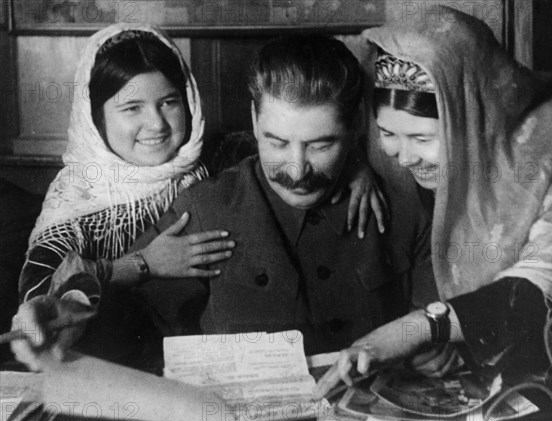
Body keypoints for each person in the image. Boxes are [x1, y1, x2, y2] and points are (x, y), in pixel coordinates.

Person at [11, 25, 388, 371]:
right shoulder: (71, 212)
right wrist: (142, 264)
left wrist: (356, 163)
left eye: (169, 102)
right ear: (93, 119)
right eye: (131, 108)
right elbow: (60, 309)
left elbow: (304, 132)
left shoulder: (220, 154)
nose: (157, 124)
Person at [314, 6, 552, 398]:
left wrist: (415, 329)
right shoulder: (453, 160)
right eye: (387, 133)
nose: (404, 156)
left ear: (470, 119)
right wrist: (454, 346)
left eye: (422, 139)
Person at [131, 34, 433, 357]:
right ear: (254, 121)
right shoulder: (202, 211)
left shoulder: (406, 213)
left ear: (357, 123)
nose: (297, 170)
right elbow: (136, 338)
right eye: (277, 143)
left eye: (320, 145)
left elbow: (440, 330)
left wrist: (433, 350)